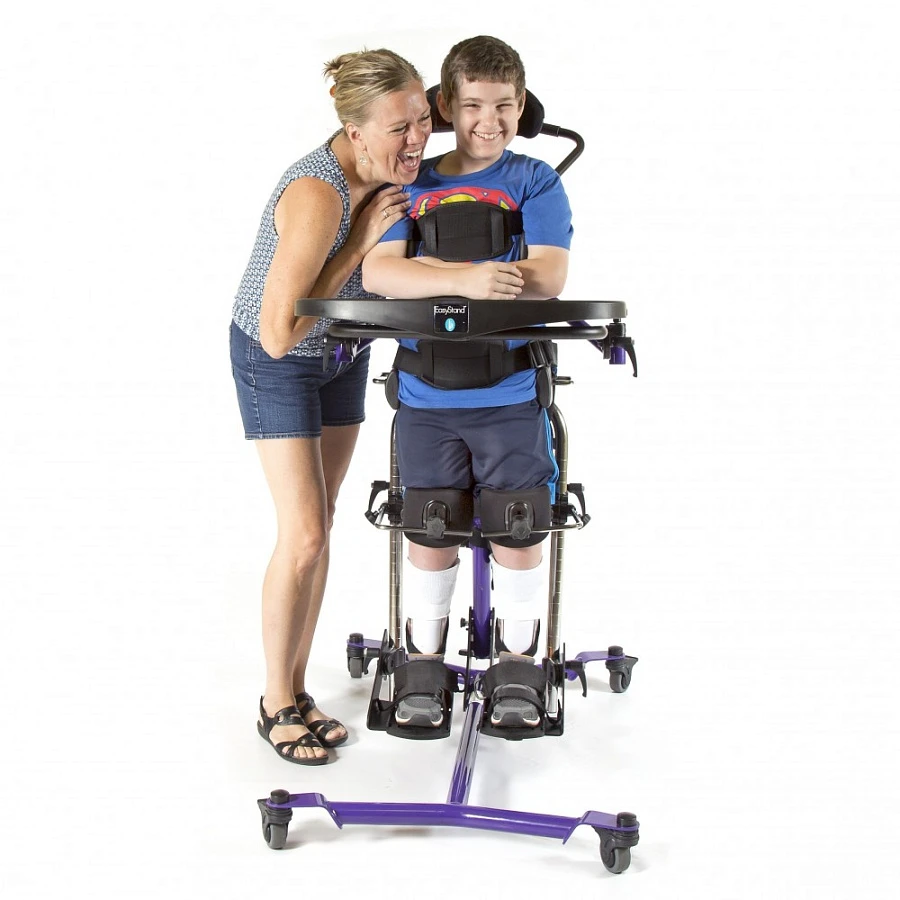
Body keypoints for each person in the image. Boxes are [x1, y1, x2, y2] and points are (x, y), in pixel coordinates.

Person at [362, 35, 572, 730]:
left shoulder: (534, 181)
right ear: (446, 105)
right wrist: (473, 278)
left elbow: (547, 277)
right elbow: (381, 274)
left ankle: (519, 659)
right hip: (427, 396)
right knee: (430, 524)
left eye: (505, 105)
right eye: (474, 104)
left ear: (521, 104)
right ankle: (423, 659)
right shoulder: (410, 184)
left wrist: (436, 277)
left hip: (509, 394)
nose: (490, 120)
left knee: (518, 523)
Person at [230, 49, 432, 764]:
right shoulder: (321, 193)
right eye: (399, 128)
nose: (418, 138)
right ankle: (274, 700)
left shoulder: (391, 152)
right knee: (305, 534)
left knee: (325, 521)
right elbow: (279, 332)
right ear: (354, 132)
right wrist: (359, 241)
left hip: (343, 349)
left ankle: (297, 687)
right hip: (278, 357)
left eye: (424, 119)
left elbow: (461, 108)